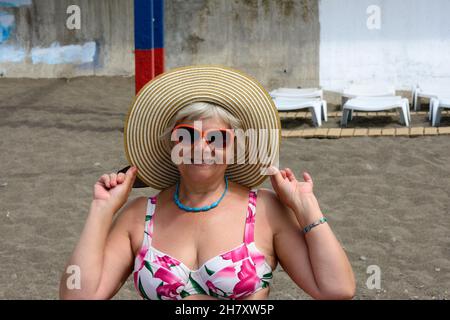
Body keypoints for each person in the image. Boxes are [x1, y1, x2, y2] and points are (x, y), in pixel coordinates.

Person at [59, 66, 355, 300]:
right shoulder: (138, 216)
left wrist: (306, 209)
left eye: (217, 138)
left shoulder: (265, 210)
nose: (201, 148)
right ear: (171, 145)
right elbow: (79, 295)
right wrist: (101, 210)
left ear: (234, 148)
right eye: (186, 136)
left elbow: (336, 289)